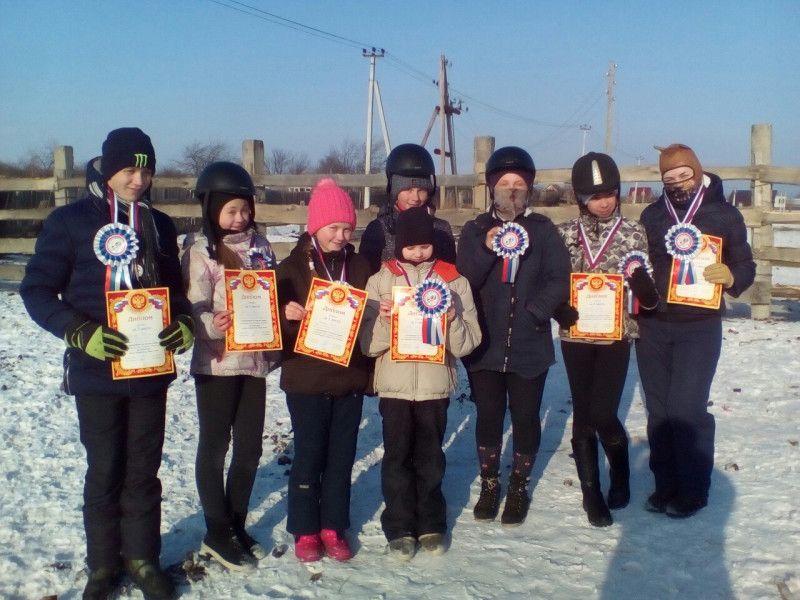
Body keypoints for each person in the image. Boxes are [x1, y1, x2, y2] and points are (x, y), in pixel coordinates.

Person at [20, 127, 193, 600]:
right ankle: (102, 564)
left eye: (147, 171)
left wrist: (184, 322)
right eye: (129, 170)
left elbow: (175, 289)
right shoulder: (70, 222)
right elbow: (36, 291)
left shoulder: (158, 224)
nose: (139, 180)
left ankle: (141, 558)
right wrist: (79, 332)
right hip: (96, 371)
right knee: (105, 469)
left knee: (144, 470)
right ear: (108, 168)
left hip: (149, 371)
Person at [637, 143, 755, 518]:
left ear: (698, 172)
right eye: (668, 177)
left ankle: (693, 490)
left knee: (686, 409)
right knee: (658, 410)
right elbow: (639, 263)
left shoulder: (725, 215)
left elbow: (745, 263)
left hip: (699, 327)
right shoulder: (652, 215)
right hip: (654, 325)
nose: (677, 182)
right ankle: (665, 484)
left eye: (684, 174)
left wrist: (732, 276)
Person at [456, 146, 571, 527]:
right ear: (492, 187)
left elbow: (559, 277)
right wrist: (486, 249)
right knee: (488, 416)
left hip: (529, 343)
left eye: (519, 183)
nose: (511, 189)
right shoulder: (474, 230)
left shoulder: (543, 230)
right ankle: (490, 483)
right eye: (504, 182)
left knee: (525, 417)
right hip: (485, 344)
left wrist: (536, 311)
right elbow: (464, 279)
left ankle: (519, 486)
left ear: (529, 188)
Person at [360, 207, 482, 561]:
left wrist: (453, 319)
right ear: (399, 245)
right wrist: (384, 320)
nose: (417, 253)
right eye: (410, 247)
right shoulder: (380, 281)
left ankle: (431, 522)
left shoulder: (454, 282)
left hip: (434, 385)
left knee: (430, 458)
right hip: (395, 386)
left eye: (424, 246)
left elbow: (468, 343)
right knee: (396, 457)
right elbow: (366, 345)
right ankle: (399, 525)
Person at [554, 152, 659, 527]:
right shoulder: (565, 233)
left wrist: (645, 290)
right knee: (583, 414)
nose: (604, 202)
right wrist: (557, 307)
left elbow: (646, 285)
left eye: (610, 193)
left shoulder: (633, 231)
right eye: (595, 196)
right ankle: (591, 492)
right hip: (576, 334)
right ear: (580, 198)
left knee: (603, 411)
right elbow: (553, 279)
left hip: (617, 333)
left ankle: (620, 471)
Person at [182, 161, 278, 571]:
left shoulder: (262, 246)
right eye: (231, 211)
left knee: (250, 447)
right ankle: (216, 529)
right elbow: (194, 305)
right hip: (218, 362)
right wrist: (210, 324)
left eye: (245, 209)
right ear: (211, 211)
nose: (240, 217)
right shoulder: (201, 251)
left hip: (254, 360)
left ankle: (236, 523)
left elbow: (271, 294)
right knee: (216, 444)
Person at [275, 178, 372, 562]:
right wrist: (286, 317)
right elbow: (270, 327)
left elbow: (370, 318)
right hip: (307, 379)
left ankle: (333, 526)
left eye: (348, 228)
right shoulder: (290, 268)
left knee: (341, 457)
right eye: (333, 227)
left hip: (349, 378)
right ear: (315, 226)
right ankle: (304, 529)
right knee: (309, 454)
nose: (341, 236)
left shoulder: (360, 266)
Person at [359, 143, 456, 274]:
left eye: (421, 190)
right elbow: (367, 273)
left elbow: (450, 271)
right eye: (408, 190)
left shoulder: (441, 228)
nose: (415, 198)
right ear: (394, 190)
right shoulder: (379, 229)